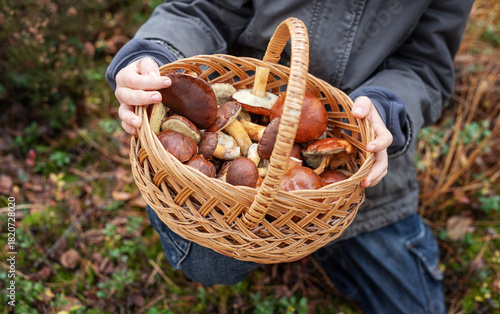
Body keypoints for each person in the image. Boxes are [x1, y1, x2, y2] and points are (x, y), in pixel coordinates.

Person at [106, 1, 474, 313]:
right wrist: (151, 59)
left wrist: (387, 109)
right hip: (246, 94)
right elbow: (200, 9)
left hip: (358, 169)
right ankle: (268, 246)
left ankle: (311, 243)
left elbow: (426, 64)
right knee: (210, 259)